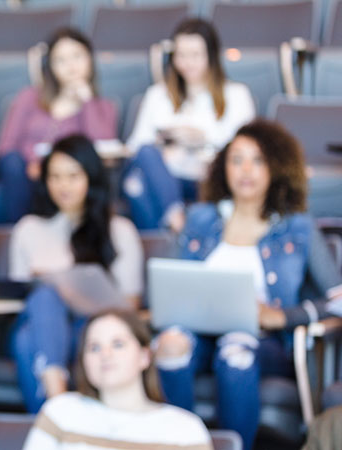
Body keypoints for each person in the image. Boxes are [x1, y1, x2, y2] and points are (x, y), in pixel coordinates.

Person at [154, 120, 342, 450]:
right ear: (222, 167)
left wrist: (281, 317)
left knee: (235, 349)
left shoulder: (296, 227)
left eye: (258, 160)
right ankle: (178, 444)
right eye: (236, 159)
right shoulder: (198, 218)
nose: (246, 170)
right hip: (195, 332)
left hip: (262, 341)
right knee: (170, 344)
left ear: (277, 168)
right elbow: (167, 281)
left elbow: (338, 298)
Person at [9, 135, 144, 412]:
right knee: (43, 298)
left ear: (91, 178)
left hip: (92, 328)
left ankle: (52, 421)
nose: (63, 185)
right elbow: (18, 294)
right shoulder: (28, 229)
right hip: (42, 320)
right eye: (55, 177)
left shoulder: (119, 231)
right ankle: (58, 406)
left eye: (73, 176)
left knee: (27, 340)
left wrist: (73, 290)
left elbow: (131, 305)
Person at [123, 18, 255, 231]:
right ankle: (176, 219)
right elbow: (135, 147)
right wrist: (163, 146)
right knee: (143, 162)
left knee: (135, 186)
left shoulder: (236, 95)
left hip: (209, 176)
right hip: (168, 174)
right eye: (181, 55)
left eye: (195, 55)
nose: (188, 63)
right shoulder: (157, 95)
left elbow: (244, 146)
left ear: (211, 56)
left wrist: (202, 138)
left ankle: (164, 245)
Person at [22, 309, 212, 450]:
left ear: (145, 356)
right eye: (94, 347)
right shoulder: (60, 412)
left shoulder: (185, 431)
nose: (105, 354)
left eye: (118, 344)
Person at [0, 28, 118, 223]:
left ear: (90, 60)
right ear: (50, 66)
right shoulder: (29, 97)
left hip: (68, 180)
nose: (71, 66)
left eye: (77, 56)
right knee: (11, 164)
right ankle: (18, 235)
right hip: (25, 177)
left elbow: (104, 151)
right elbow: (5, 147)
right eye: (61, 60)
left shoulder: (103, 106)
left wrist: (87, 101)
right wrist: (34, 165)